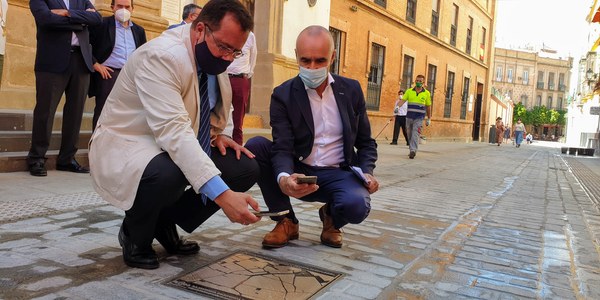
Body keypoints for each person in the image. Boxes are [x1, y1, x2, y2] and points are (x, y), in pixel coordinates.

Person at [88, 0, 260, 269]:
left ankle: (163, 221)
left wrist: (218, 134)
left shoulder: (215, 57)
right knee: (171, 171)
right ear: (200, 28)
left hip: (171, 143)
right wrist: (224, 196)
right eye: (224, 47)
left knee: (243, 167)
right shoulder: (162, 56)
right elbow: (174, 131)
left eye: (235, 52)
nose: (228, 57)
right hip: (129, 143)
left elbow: (213, 106)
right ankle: (135, 233)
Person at [245, 25, 379, 249]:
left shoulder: (351, 90)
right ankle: (285, 220)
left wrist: (367, 173)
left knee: (357, 206)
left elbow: (366, 142)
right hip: (301, 170)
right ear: (296, 56)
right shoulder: (283, 95)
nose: (312, 67)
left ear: (333, 57)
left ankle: (331, 218)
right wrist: (285, 178)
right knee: (256, 146)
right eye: (305, 61)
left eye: (320, 61)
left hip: (339, 172)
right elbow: (283, 146)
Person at [28, 0, 102, 176]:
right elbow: (46, 19)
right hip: (52, 61)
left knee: (75, 113)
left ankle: (67, 159)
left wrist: (68, 14)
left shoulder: (81, 0)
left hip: (81, 61)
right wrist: (81, 22)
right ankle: (37, 158)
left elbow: (97, 19)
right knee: (45, 111)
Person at [89, 0, 147, 130]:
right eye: (120, 6)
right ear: (112, 7)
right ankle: (97, 146)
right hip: (108, 74)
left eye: (127, 7)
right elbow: (86, 44)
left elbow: (143, 54)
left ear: (133, 9)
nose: (124, 10)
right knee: (103, 111)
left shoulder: (139, 30)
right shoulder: (102, 24)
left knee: (127, 113)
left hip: (131, 76)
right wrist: (96, 64)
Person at [226, 31, 257, 145]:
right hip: (223, 77)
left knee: (238, 116)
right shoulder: (227, 30)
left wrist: (248, 73)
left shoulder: (250, 36)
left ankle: (237, 144)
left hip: (240, 79)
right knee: (221, 111)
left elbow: (253, 56)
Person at [397, 75, 432, 159]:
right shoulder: (409, 91)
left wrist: (429, 118)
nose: (418, 82)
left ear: (423, 83)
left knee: (415, 133)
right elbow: (403, 100)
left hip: (419, 117)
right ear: (415, 81)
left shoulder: (426, 93)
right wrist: (397, 107)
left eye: (420, 81)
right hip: (409, 117)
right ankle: (411, 148)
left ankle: (413, 150)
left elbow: (428, 106)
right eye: (417, 80)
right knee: (409, 133)